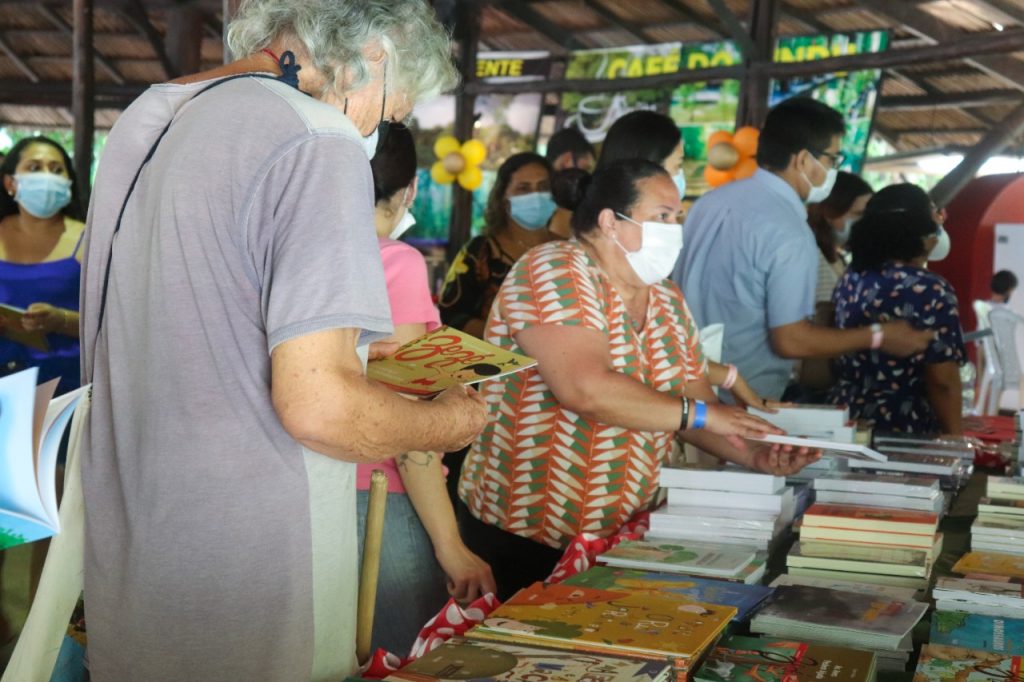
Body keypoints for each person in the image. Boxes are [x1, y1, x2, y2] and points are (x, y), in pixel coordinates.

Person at [79, 1, 489, 679]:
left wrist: (350, 359)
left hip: (134, 545)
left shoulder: (155, 118)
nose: (376, 132)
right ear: (374, 54)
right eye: (389, 115)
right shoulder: (319, 138)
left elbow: (192, 329)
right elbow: (320, 408)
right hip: (253, 568)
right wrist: (446, 423)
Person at [456, 160, 819, 599]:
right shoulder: (553, 269)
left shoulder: (665, 297)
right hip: (528, 532)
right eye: (662, 216)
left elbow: (696, 402)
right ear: (611, 221)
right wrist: (703, 415)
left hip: (621, 535)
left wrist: (755, 453)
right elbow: (585, 389)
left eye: (677, 217)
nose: (674, 229)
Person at [673, 97, 933, 400]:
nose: (834, 169)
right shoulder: (790, 231)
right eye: (833, 160)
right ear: (804, 160)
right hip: (740, 402)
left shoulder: (708, 203)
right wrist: (879, 336)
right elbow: (790, 340)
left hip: (681, 388)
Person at [357, 125, 494, 654]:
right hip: (380, 501)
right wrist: (452, 547)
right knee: (398, 659)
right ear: (411, 189)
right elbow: (409, 423)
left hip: (305, 494)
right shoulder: (396, 262)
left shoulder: (295, 256)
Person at [598, 110, 774, 410]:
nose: (679, 178)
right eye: (677, 166)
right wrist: (701, 415)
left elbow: (669, 359)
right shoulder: (570, 270)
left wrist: (728, 380)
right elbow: (588, 383)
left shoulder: (657, 282)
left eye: (673, 218)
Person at [829, 184, 965, 435]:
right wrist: (956, 437)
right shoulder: (931, 289)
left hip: (846, 417)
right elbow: (942, 381)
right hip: (904, 423)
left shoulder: (851, 278)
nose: (940, 221)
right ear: (921, 230)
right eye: (934, 214)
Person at [0, 136, 85, 392]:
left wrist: (60, 320)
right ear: (10, 183)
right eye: (35, 167)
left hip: (66, 387)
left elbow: (114, 321)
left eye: (57, 170)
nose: (47, 176)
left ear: (69, 183)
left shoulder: (90, 240)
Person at [439, 152, 556, 338]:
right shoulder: (481, 252)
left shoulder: (566, 248)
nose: (536, 196)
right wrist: (508, 338)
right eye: (524, 188)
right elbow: (449, 315)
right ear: (503, 197)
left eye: (543, 187)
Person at [806, 171, 873, 305]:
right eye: (858, 214)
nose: (865, 222)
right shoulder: (812, 257)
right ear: (829, 212)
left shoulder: (837, 258)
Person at [988, 270, 1023, 407]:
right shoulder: (1010, 315)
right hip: (1009, 363)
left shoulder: (984, 310)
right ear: (1008, 290)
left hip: (993, 363)